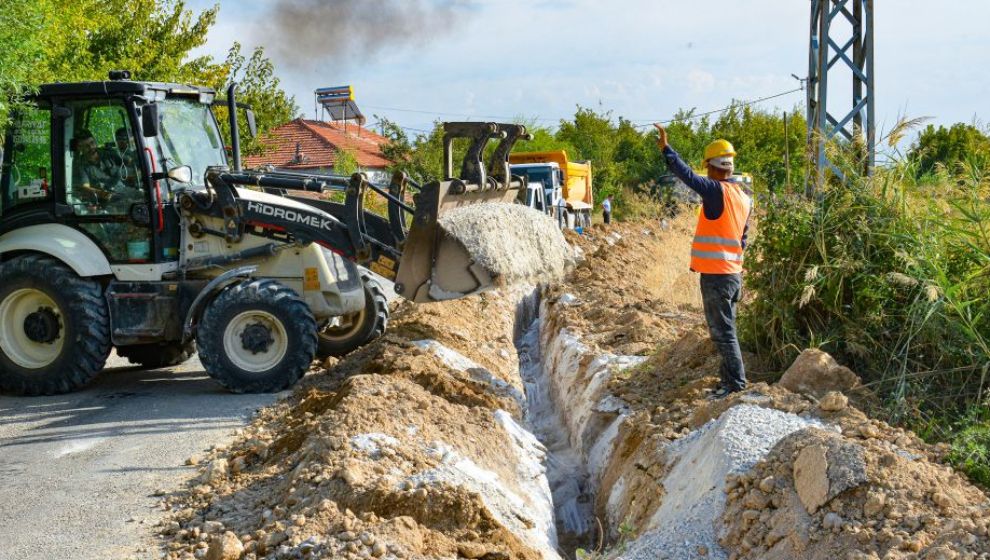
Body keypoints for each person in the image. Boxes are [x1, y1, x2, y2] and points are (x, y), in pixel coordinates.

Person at [654, 124, 753, 398]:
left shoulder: (715, 191)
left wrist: (666, 149)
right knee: (727, 330)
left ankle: (735, 386)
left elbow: (686, 175)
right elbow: (742, 239)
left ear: (712, 166)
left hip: (717, 276)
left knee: (723, 334)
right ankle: (728, 383)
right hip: (733, 274)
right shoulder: (744, 198)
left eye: (707, 167)